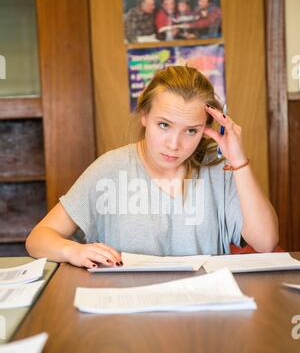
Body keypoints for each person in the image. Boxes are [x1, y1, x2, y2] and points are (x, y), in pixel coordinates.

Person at [26, 66, 279, 268]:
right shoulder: (109, 169)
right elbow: (39, 238)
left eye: (191, 130)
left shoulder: (221, 171)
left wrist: (238, 161)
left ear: (206, 130)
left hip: (201, 313)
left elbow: (266, 242)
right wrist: (74, 250)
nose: (174, 144)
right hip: (128, 313)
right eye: (164, 125)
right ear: (145, 116)